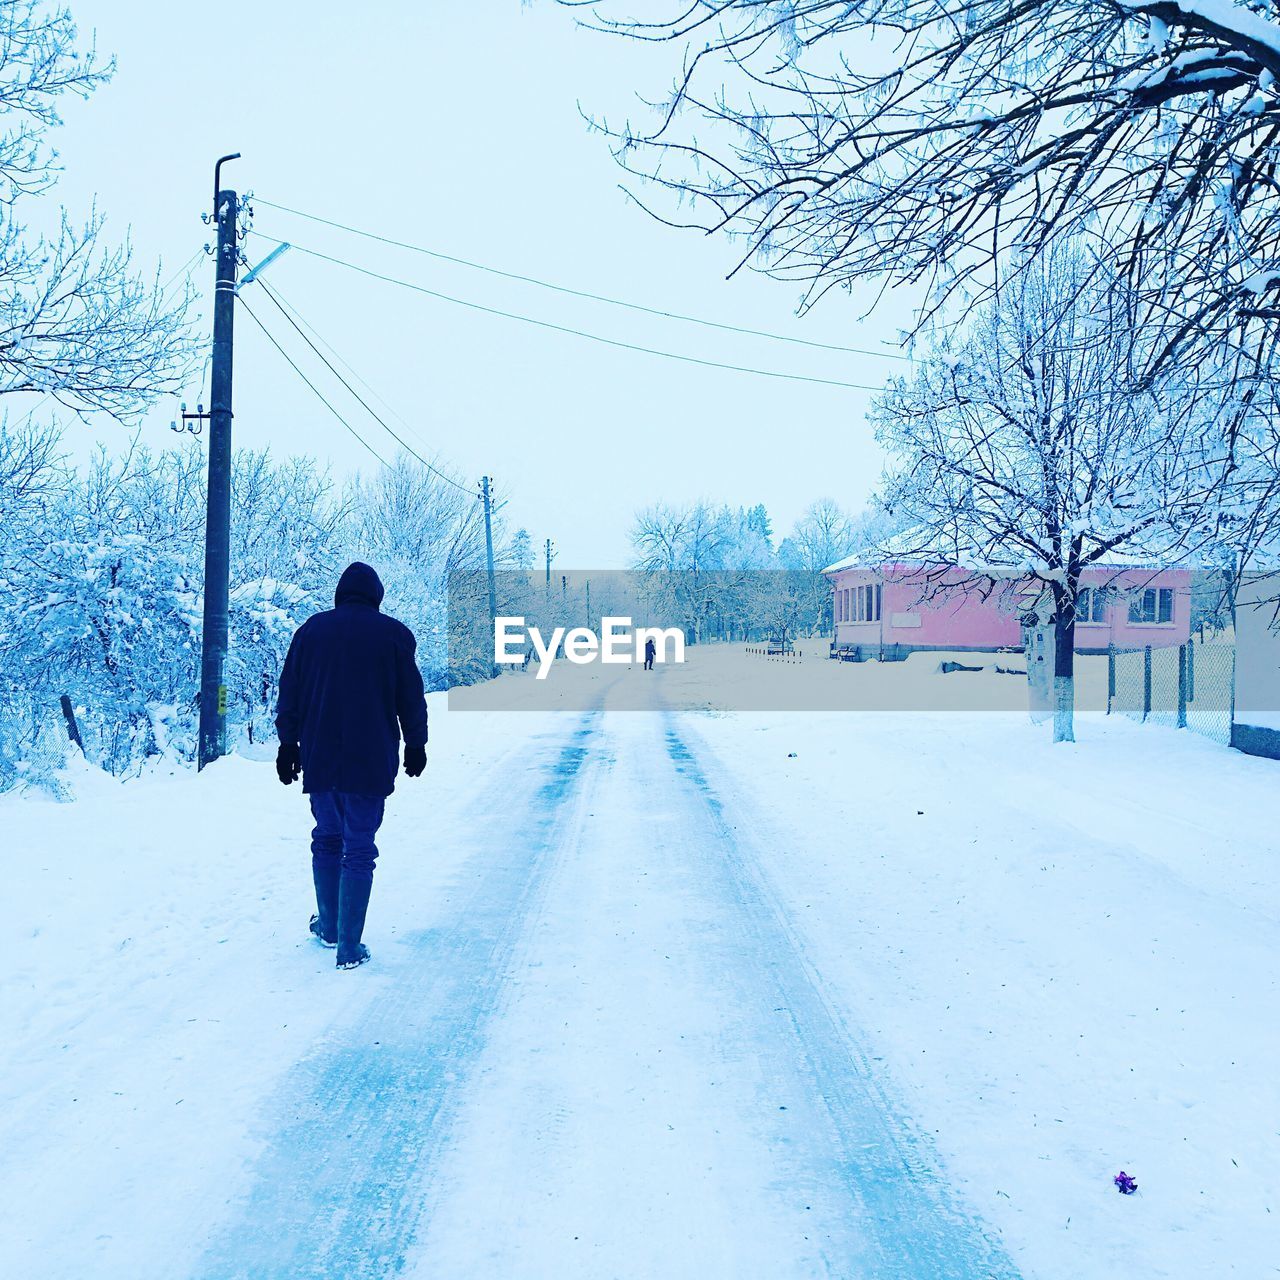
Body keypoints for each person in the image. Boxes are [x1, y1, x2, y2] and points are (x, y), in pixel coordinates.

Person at [275, 562, 428, 970]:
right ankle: (348, 947)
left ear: (340, 594)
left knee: (326, 838)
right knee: (359, 848)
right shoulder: (393, 634)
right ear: (376, 595)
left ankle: (329, 927)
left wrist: (287, 744)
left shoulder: (310, 631)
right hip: (370, 758)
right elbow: (410, 698)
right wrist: (416, 743)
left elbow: (289, 690)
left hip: (320, 756)